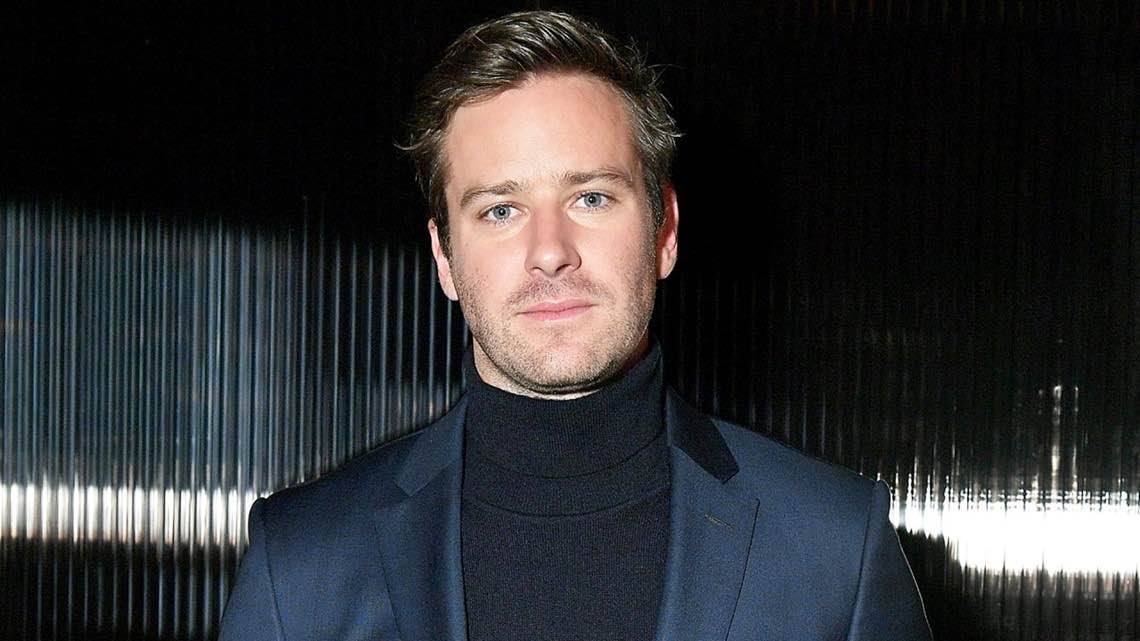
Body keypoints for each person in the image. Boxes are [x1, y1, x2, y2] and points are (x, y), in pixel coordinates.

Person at [219, 10, 931, 641]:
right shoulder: (302, 562)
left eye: (590, 197)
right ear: (443, 257)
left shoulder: (836, 548)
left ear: (664, 230)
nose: (550, 251)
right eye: (500, 210)